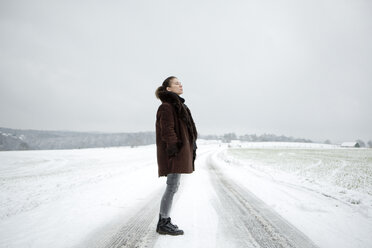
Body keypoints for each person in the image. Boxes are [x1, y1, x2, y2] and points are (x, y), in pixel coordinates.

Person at [154, 76, 198, 235]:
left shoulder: (180, 106)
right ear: (168, 89)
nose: (180, 84)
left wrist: (191, 145)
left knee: (173, 186)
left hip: (179, 151)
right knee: (172, 186)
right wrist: (173, 149)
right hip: (174, 152)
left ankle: (164, 220)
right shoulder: (167, 107)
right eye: (176, 83)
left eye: (180, 82)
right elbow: (167, 130)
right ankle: (163, 222)